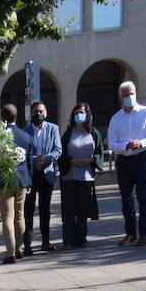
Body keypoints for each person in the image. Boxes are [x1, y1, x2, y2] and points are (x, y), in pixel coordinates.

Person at [107, 80, 146, 246]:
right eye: (126, 95)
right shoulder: (116, 118)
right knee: (126, 198)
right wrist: (125, 146)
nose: (130, 97)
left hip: (142, 158)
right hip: (124, 160)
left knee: (144, 197)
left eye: (132, 93)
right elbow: (111, 143)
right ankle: (130, 233)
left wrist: (142, 142)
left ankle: (145, 233)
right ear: (120, 98)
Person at [58, 102, 103, 249]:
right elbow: (61, 154)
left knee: (83, 209)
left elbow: (99, 152)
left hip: (86, 176)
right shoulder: (68, 134)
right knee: (69, 210)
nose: (80, 115)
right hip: (69, 176)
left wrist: (91, 160)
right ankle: (69, 240)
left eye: (82, 112)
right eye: (77, 112)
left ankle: (81, 237)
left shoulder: (93, 133)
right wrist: (72, 160)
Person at [22, 101, 61, 252]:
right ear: (31, 114)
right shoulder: (25, 131)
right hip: (31, 175)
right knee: (28, 210)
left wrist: (46, 158)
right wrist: (34, 160)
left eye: (41, 111)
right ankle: (27, 244)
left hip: (46, 173)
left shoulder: (53, 129)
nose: (38, 114)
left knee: (45, 209)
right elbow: (22, 153)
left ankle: (46, 241)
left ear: (46, 113)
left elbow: (58, 150)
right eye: (35, 112)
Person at [0, 104, 32, 263]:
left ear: (2, 118)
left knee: (7, 217)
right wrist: (28, 181)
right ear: (16, 117)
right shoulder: (25, 136)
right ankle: (19, 249)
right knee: (20, 216)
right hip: (22, 180)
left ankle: (10, 253)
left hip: (4, 181)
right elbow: (29, 161)